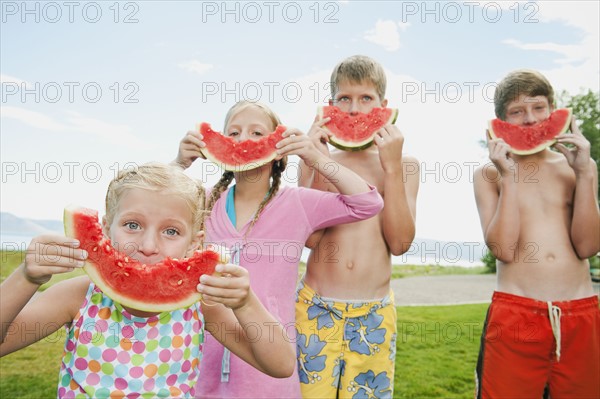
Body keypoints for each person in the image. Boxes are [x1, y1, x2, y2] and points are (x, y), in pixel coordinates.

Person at [0, 163, 295, 398]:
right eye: (132, 225)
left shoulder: (201, 306)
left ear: (195, 244)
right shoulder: (78, 297)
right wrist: (26, 278)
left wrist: (246, 303)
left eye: (171, 231)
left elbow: (281, 365)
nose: (149, 245)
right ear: (105, 229)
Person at [172, 100, 384, 398]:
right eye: (232, 133)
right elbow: (150, 207)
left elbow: (367, 202)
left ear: (279, 146)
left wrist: (313, 155)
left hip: (270, 366)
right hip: (199, 362)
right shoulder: (201, 200)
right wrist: (178, 164)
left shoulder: (298, 203)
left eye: (257, 133)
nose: (244, 140)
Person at [295, 55, 420, 398]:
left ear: (385, 106)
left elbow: (400, 243)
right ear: (329, 106)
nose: (353, 109)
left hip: (374, 313)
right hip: (316, 308)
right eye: (343, 99)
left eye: (366, 98)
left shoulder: (404, 166)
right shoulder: (316, 161)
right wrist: (316, 163)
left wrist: (391, 169)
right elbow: (309, 238)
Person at [473, 69, 600, 398]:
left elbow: (588, 246)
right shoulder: (489, 175)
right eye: (517, 111)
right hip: (516, 312)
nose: (529, 120)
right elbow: (503, 248)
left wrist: (585, 174)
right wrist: (510, 177)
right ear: (500, 121)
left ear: (554, 110)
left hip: (580, 312)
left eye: (539, 108)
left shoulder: (577, 168)